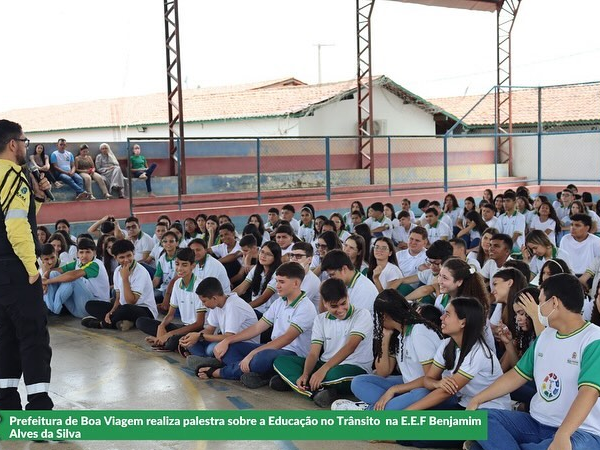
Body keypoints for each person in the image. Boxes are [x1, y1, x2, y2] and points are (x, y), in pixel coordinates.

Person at [466, 274, 600, 450]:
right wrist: (477, 400)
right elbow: (517, 375)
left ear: (554, 302)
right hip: (536, 423)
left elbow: (589, 392)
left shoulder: (593, 339)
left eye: (540, 302)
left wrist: (564, 434)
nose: (538, 309)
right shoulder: (546, 335)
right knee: (476, 421)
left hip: (581, 431)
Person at [195, 262, 317, 388]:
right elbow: (258, 327)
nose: (277, 286)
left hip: (293, 354)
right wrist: (227, 340)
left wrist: (253, 353)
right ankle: (256, 374)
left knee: (260, 358)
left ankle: (218, 371)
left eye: (281, 282)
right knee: (230, 347)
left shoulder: (305, 307)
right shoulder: (279, 302)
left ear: (296, 283)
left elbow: (286, 339)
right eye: (276, 281)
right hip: (273, 348)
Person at [0, 119, 53, 410]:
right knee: (33, 337)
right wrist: (33, 269)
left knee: (5, 338)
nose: (25, 146)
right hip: (15, 268)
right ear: (12, 144)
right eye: (24, 141)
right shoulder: (13, 176)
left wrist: (39, 197)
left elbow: (16, 215)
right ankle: (40, 409)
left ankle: (6, 405)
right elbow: (17, 225)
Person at [332, 289, 443, 411]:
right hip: (406, 386)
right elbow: (383, 372)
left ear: (384, 315)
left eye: (378, 316)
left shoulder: (419, 331)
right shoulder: (400, 333)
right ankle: (386, 406)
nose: (378, 321)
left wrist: (393, 390)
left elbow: (431, 379)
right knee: (359, 381)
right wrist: (385, 338)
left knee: (420, 394)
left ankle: (370, 410)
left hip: (425, 390)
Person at [273, 278, 374, 407]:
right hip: (325, 364)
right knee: (281, 361)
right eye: (334, 306)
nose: (341, 309)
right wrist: (306, 373)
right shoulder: (320, 320)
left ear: (348, 297)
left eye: (343, 303)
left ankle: (293, 383)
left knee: (334, 374)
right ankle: (313, 392)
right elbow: (314, 353)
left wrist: (323, 370)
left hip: (353, 367)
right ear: (325, 303)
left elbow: (350, 347)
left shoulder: (362, 314)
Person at [136, 248, 206, 352]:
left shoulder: (199, 286)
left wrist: (170, 334)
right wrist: (161, 326)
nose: (179, 268)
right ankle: (165, 341)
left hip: (197, 330)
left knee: (173, 340)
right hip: (184, 327)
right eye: (177, 264)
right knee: (141, 322)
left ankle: (166, 341)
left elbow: (199, 324)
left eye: (184, 265)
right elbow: (170, 314)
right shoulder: (177, 284)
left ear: (193, 266)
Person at [81, 239, 158, 330]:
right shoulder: (117, 271)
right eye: (122, 257)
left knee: (126, 309)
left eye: (129, 255)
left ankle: (102, 324)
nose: (126, 260)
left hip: (144, 310)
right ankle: (122, 321)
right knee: (90, 305)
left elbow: (131, 302)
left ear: (133, 253)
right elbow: (118, 298)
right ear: (115, 257)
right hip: (123, 307)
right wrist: (111, 311)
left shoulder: (141, 272)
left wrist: (125, 278)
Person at [181, 277, 258, 358]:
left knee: (211, 349)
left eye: (204, 301)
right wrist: (191, 337)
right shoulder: (217, 305)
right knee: (192, 343)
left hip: (244, 344)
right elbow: (209, 330)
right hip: (228, 341)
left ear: (214, 298)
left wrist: (199, 336)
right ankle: (205, 360)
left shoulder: (233, 305)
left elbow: (229, 337)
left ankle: (206, 360)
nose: (203, 304)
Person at [42, 238, 110, 318]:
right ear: (77, 253)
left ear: (94, 253)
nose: (84, 255)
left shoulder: (96, 264)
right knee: (54, 273)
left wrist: (48, 281)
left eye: (88, 252)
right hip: (78, 309)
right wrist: (44, 277)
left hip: (93, 308)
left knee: (73, 279)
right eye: (81, 252)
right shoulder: (78, 263)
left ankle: (54, 312)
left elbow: (72, 276)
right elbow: (54, 271)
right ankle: (49, 308)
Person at [320, 250, 378, 315]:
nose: (330, 279)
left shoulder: (364, 289)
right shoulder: (342, 284)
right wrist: (323, 293)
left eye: (332, 275)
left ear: (344, 269)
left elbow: (353, 320)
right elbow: (324, 314)